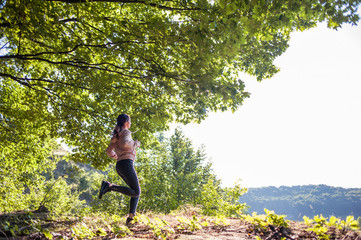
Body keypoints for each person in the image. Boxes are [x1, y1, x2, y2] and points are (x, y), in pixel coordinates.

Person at [98, 113, 141, 226]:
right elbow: (126, 144)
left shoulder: (116, 135)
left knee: (134, 190)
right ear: (126, 122)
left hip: (120, 165)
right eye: (130, 121)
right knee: (136, 192)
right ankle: (110, 187)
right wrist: (135, 144)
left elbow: (108, 151)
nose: (130, 123)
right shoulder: (126, 132)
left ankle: (131, 218)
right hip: (126, 164)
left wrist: (116, 157)